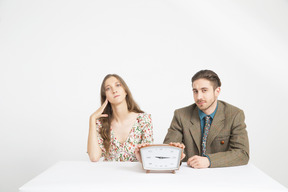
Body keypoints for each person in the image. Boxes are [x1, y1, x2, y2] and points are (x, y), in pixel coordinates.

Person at [163, 70, 249, 168]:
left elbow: (242, 154)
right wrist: (176, 156)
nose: (199, 97)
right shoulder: (180, 115)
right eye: (195, 91)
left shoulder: (234, 115)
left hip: (222, 177)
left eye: (204, 90)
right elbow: (167, 152)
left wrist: (209, 161)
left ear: (217, 91)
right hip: (188, 176)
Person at [87, 74, 153, 162]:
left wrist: (139, 157)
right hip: (109, 174)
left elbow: (149, 158)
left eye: (118, 85)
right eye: (108, 88)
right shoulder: (101, 123)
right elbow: (94, 157)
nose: (114, 90)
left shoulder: (143, 120)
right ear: (105, 96)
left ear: (125, 91)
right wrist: (92, 119)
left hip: (135, 174)